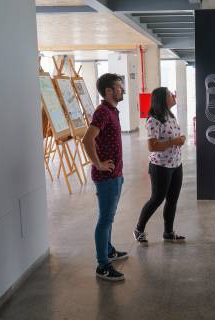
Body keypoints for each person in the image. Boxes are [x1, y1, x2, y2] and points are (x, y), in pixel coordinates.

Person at [82, 73, 128, 281]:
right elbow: (87, 139)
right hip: (106, 177)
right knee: (105, 219)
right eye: (119, 87)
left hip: (116, 175)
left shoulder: (111, 111)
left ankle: (108, 250)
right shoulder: (102, 112)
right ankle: (103, 265)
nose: (122, 90)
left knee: (109, 218)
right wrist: (98, 164)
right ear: (108, 91)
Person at [133, 87, 186, 244]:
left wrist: (180, 138)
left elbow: (173, 137)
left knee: (172, 199)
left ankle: (168, 232)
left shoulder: (169, 115)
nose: (173, 95)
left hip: (176, 163)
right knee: (157, 199)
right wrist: (174, 141)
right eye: (170, 94)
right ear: (163, 99)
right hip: (160, 166)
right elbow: (152, 146)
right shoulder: (153, 120)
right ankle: (139, 229)